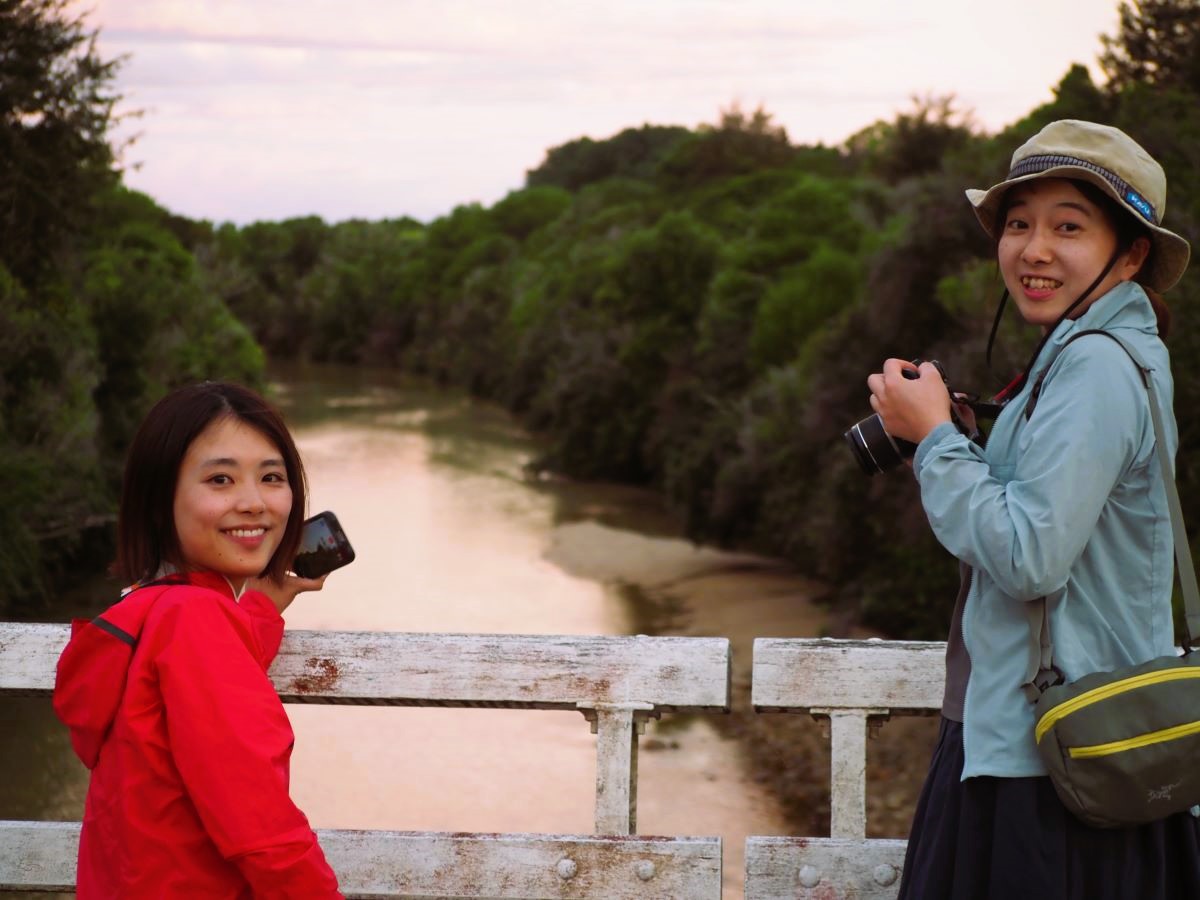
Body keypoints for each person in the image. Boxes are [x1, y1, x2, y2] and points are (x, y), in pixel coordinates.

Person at [867, 119, 1199, 898]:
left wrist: (939, 444)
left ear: (1133, 250)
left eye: (1068, 226)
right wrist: (961, 443)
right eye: (1018, 224)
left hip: (1049, 764)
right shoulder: (1091, 351)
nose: (1033, 249)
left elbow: (1028, 555)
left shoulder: (1093, 368)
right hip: (1051, 741)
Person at [53, 382, 343, 898]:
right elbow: (264, 834)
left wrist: (256, 605)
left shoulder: (146, 610)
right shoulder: (196, 624)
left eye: (271, 477)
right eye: (220, 479)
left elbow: (201, 693)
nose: (253, 502)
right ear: (160, 500)